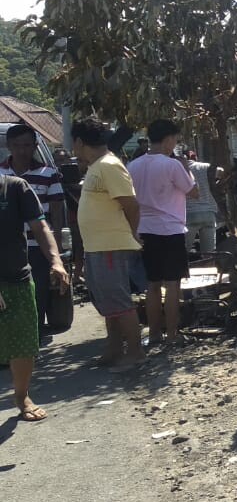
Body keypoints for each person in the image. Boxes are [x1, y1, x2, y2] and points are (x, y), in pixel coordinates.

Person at [73, 118, 145, 371]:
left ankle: (135, 352)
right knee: (107, 302)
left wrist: (133, 234)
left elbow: (131, 205)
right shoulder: (97, 166)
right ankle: (114, 349)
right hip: (98, 246)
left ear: (80, 142)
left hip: (110, 245)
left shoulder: (109, 166)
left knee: (119, 301)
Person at [0, 172, 69, 421]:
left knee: (24, 345)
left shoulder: (16, 187)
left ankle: (21, 395)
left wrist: (56, 261)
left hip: (17, 278)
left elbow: (40, 226)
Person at [128, 119, 196, 347]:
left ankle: (155, 333)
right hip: (171, 229)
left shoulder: (133, 165)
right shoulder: (172, 165)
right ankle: (173, 334)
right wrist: (187, 168)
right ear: (168, 139)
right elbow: (193, 191)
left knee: (152, 284)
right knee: (173, 284)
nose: (175, 145)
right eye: (175, 140)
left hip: (144, 230)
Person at [0, 124, 65, 343]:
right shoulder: (1, 174)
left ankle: (29, 340)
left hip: (38, 248)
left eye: (27, 145)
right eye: (17, 146)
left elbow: (53, 217)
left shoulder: (49, 174)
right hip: (7, 250)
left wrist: (57, 254)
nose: (22, 151)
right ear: (8, 146)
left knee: (35, 294)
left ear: (35, 146)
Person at [184, 151, 223, 256]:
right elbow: (221, 171)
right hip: (209, 213)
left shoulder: (179, 169)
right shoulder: (205, 166)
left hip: (189, 213)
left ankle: (182, 271)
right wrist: (217, 185)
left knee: (182, 253)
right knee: (209, 254)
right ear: (195, 158)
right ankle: (209, 268)